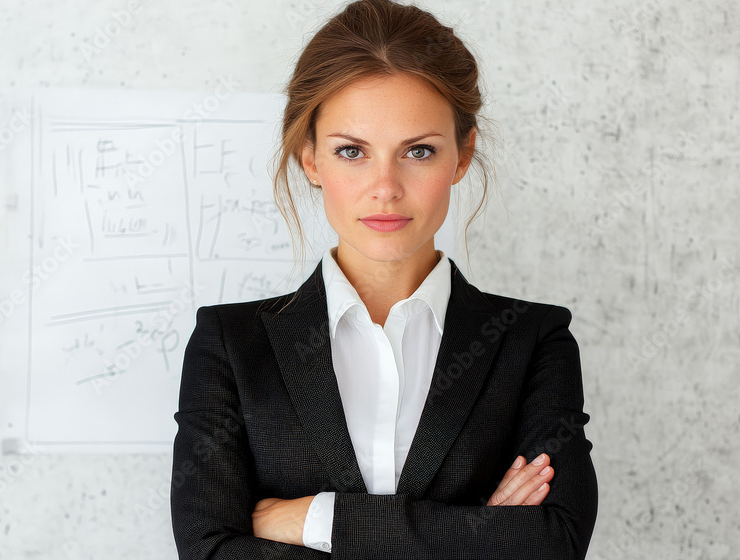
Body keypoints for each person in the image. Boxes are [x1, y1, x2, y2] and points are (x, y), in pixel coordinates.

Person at [170, 0, 598, 558]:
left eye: (418, 151)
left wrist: (317, 519)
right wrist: (474, 535)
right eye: (352, 151)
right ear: (311, 159)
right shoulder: (230, 345)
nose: (386, 188)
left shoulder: (532, 340)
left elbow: (555, 543)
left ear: (462, 155)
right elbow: (208, 551)